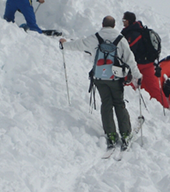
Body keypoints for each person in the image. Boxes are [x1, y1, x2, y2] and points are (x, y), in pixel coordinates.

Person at [59, 16, 142, 149]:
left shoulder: (95, 37)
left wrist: (64, 44)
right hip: (115, 78)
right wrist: (138, 76)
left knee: (106, 103)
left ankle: (111, 135)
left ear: (102, 24)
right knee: (119, 103)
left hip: (99, 78)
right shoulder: (121, 39)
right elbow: (130, 59)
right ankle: (126, 134)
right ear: (114, 25)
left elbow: (78, 45)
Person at [121, 11, 170, 108]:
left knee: (126, 82)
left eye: (124, 20)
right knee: (154, 87)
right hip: (149, 63)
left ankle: (127, 103)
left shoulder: (132, 34)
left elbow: (128, 51)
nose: (123, 22)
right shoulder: (141, 30)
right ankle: (165, 107)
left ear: (128, 21)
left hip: (138, 64)